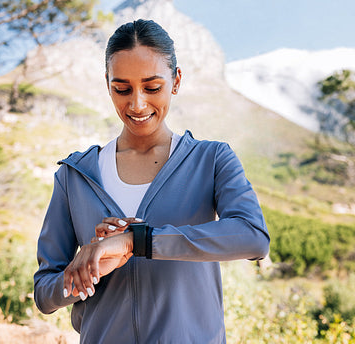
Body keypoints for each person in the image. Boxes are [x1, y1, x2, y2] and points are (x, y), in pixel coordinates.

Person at [34, 19, 270, 343]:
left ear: (176, 81)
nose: (137, 104)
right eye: (122, 89)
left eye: (152, 87)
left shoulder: (212, 160)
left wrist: (137, 241)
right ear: (107, 84)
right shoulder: (74, 176)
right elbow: (45, 294)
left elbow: (253, 237)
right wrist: (90, 272)